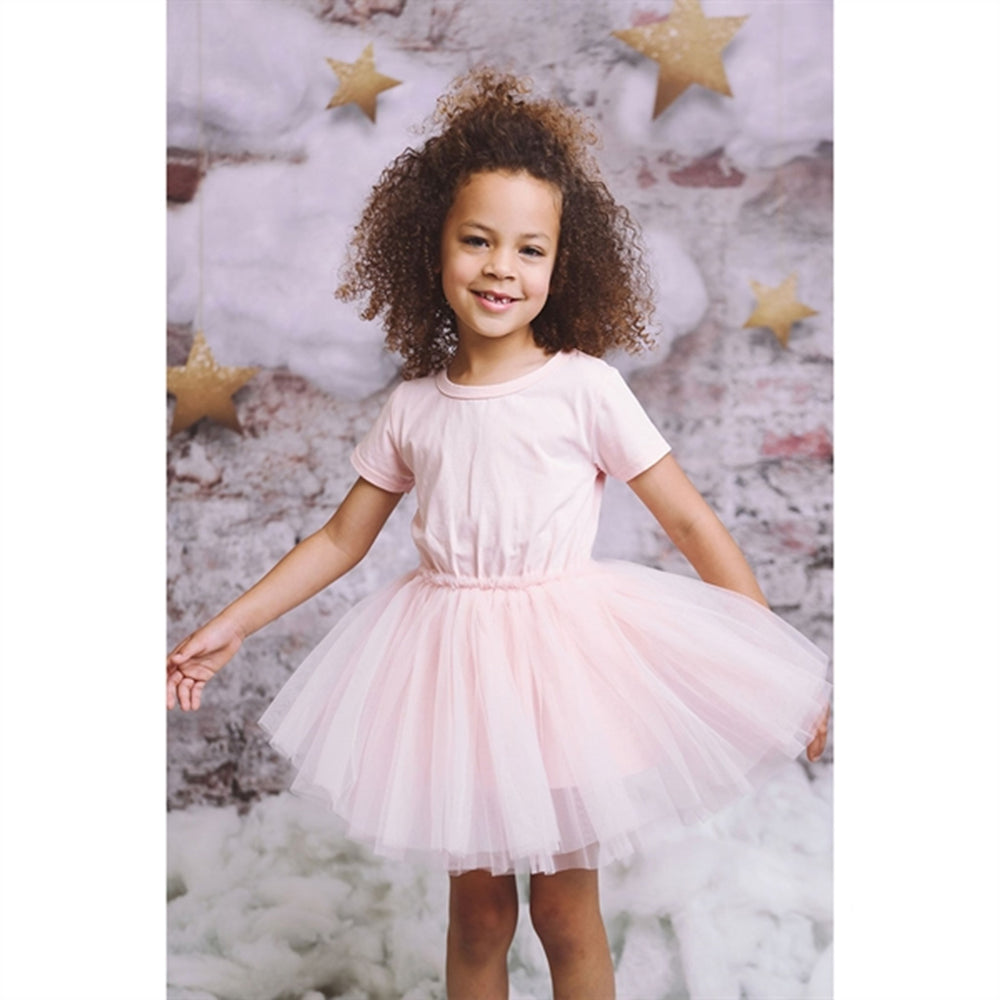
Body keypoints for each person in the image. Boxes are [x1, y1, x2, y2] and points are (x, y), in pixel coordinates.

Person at [167, 68, 831, 1000]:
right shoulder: (413, 407)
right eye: (477, 240)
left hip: (563, 672)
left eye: (529, 249)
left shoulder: (585, 387)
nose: (500, 268)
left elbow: (688, 518)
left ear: (563, 265)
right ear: (431, 246)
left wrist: (766, 659)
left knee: (564, 910)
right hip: (453, 674)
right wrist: (231, 624)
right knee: (478, 914)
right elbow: (339, 539)